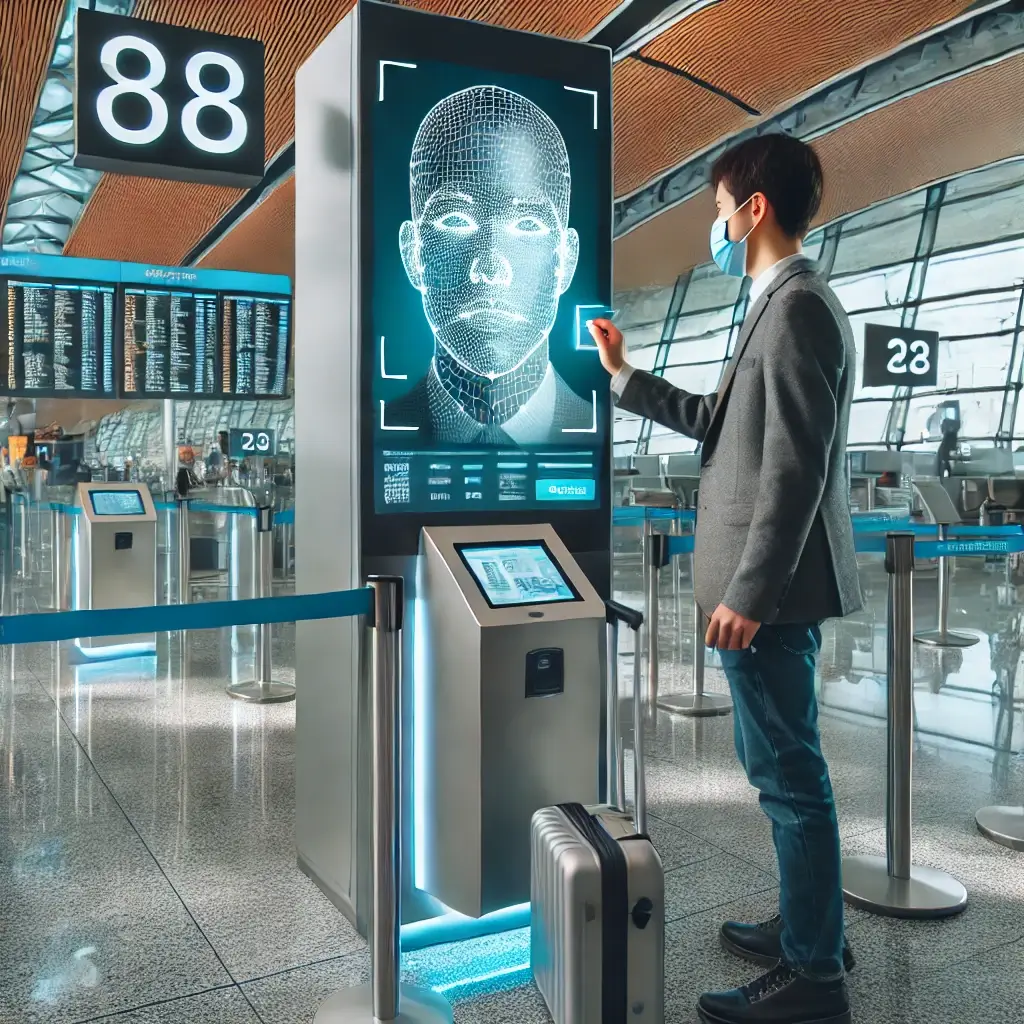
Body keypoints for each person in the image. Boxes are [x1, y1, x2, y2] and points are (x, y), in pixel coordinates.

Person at [589, 133, 861, 1024]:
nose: (713, 224)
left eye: (718, 208)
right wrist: (625, 374)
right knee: (782, 763)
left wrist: (751, 591)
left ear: (755, 210)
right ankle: (807, 926)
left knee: (787, 773)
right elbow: (718, 421)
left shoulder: (797, 310)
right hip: (764, 588)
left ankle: (814, 974)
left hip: (765, 596)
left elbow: (794, 469)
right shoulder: (774, 303)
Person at [382, 85, 593, 443]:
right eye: (456, 220)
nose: (491, 267)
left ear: (565, 260)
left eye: (528, 224)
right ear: (413, 253)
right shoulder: (378, 434)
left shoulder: (591, 431)